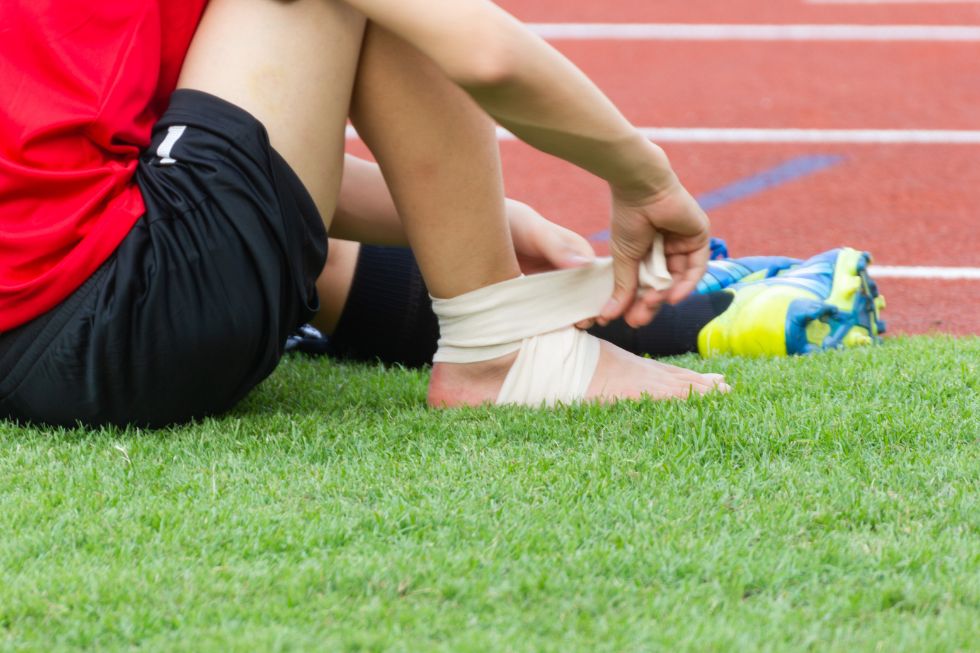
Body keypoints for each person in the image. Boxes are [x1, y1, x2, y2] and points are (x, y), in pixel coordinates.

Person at [1, 0, 730, 428]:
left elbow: (220, 160)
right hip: (125, 327)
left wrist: (491, 218)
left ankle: (701, 312)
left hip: (22, 340)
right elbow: (485, 54)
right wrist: (645, 178)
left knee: (319, 260)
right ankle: (497, 349)